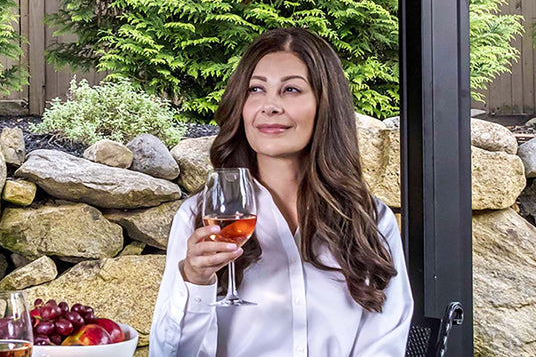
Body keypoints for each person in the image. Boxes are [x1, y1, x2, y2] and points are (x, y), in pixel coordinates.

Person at [150, 27, 412, 357]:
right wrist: (194, 280)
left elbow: (384, 344)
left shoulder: (370, 219)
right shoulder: (198, 218)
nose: (269, 105)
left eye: (290, 89)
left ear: (324, 105)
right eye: (256, 89)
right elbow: (170, 354)